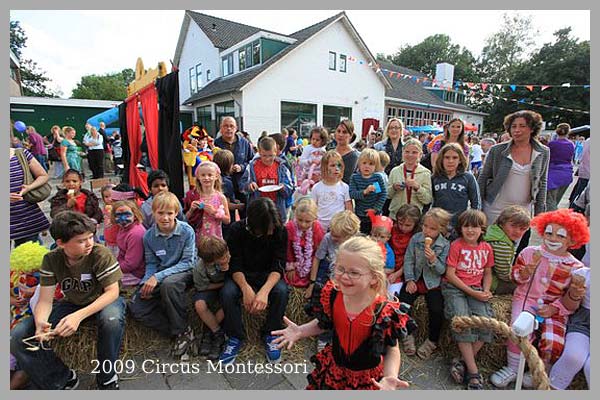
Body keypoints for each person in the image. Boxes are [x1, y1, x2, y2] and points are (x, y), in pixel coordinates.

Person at [272, 236, 413, 390]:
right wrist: (301, 331)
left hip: (367, 378)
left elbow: (392, 349)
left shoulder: (383, 311)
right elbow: (324, 324)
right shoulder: (331, 294)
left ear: (373, 277)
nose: (344, 276)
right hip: (334, 370)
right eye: (340, 269)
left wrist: (390, 376)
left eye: (354, 272)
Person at [10, 211, 125, 390]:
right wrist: (41, 323)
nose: (89, 243)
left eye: (90, 237)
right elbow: (45, 300)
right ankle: (61, 378)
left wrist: (78, 317)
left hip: (103, 299)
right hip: (71, 302)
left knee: (111, 319)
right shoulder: (51, 259)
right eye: (81, 240)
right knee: (18, 336)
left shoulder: (99, 253)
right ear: (61, 243)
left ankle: (107, 377)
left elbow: (112, 292)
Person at [490, 209, 589, 389]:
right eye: (549, 233)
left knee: (554, 341)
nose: (552, 239)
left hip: (555, 309)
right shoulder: (529, 253)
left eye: (560, 236)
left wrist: (556, 307)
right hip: (526, 300)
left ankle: (539, 371)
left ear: (572, 240)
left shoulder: (576, 267)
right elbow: (516, 278)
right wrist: (526, 271)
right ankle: (512, 368)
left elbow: (571, 301)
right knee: (518, 330)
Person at [219, 198, 289, 365]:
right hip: (242, 274)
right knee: (227, 293)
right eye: (268, 228)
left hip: (268, 274)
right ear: (256, 226)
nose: (271, 232)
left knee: (281, 292)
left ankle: (271, 334)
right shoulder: (237, 230)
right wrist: (246, 289)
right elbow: (234, 264)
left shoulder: (280, 230)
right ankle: (235, 336)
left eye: (273, 227)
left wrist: (264, 292)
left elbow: (278, 265)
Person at [128, 191, 197, 360]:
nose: (165, 218)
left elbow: (189, 262)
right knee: (136, 305)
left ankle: (181, 333)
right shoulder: (149, 236)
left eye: (169, 213)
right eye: (160, 213)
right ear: (153, 213)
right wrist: (146, 281)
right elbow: (151, 263)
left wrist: (157, 278)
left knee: (169, 285)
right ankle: (180, 331)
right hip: (162, 274)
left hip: (184, 272)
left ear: (176, 213)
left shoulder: (186, 231)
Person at [442, 210, 494, 390]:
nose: (470, 230)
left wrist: (485, 290)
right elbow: (450, 274)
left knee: (487, 325)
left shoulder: (486, 248)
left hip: (477, 289)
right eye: (466, 226)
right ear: (460, 228)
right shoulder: (456, 245)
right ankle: (473, 372)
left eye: (475, 226)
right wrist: (473, 293)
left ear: (482, 229)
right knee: (462, 322)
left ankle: (461, 362)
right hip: (456, 288)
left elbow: (487, 272)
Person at [478, 110, 549, 227]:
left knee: (515, 244)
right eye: (513, 126)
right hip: (495, 207)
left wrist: (539, 213)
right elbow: (483, 177)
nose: (517, 130)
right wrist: (477, 206)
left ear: (532, 129)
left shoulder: (543, 152)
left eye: (522, 126)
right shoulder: (497, 150)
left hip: (522, 210)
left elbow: (542, 182)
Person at [400, 207, 451, 359]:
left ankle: (432, 341)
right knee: (403, 304)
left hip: (432, 283)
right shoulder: (416, 239)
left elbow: (442, 270)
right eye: (425, 226)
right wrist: (409, 279)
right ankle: (407, 334)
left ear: (441, 229)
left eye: (432, 228)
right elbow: (408, 260)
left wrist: (433, 260)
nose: (427, 231)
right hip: (415, 278)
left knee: (437, 310)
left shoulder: (444, 245)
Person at [549, 264, 590, 390]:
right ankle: (551, 387)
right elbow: (569, 306)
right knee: (573, 357)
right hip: (584, 322)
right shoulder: (584, 274)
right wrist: (574, 294)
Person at [431, 143, 481, 236]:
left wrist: (471, 222)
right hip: (439, 224)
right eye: (447, 157)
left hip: (460, 224)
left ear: (460, 160)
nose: (450, 161)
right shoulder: (435, 178)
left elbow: (476, 202)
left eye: (454, 158)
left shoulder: (468, 177)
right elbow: (429, 201)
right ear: (441, 159)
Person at [193, 236, 229, 360]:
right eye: (221, 259)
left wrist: (227, 271)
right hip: (210, 287)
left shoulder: (232, 258)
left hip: (228, 286)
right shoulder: (200, 267)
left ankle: (209, 332)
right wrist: (221, 284)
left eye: (226, 255)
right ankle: (217, 332)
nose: (225, 259)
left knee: (228, 301)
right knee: (200, 304)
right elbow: (202, 286)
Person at [241, 136, 294, 222]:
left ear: (276, 152)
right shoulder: (252, 166)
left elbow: (291, 188)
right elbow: (242, 185)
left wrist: (283, 187)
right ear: (259, 152)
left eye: (270, 155)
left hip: (277, 209)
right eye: (264, 155)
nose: (267, 159)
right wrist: (249, 186)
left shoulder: (282, 166)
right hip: (258, 209)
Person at [483, 205, 530, 295]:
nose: (517, 231)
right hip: (491, 283)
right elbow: (504, 275)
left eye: (522, 229)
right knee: (527, 286)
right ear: (502, 222)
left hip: (485, 277)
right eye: (513, 226)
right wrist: (519, 276)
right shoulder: (502, 245)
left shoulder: (492, 230)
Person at [9, 146, 50, 247]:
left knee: (30, 258)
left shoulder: (21, 153)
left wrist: (29, 187)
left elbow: (43, 175)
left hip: (26, 217)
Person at [214, 117, 254, 213]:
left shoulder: (244, 143)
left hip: (242, 184)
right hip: (223, 186)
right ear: (221, 128)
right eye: (226, 126)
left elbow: (252, 161)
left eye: (231, 126)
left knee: (246, 212)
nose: (229, 129)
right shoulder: (216, 144)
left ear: (236, 128)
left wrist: (241, 167)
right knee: (227, 213)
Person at [184, 161, 231, 240]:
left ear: (216, 176)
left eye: (210, 175)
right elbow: (184, 219)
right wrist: (191, 210)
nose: (206, 178)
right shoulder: (193, 196)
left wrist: (214, 212)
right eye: (203, 175)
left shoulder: (220, 197)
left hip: (215, 237)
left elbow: (227, 220)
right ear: (198, 177)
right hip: (197, 237)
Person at [388, 138, 432, 219]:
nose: (410, 155)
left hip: (414, 218)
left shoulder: (425, 173)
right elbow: (388, 195)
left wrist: (418, 188)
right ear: (402, 153)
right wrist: (393, 188)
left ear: (420, 154)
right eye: (407, 152)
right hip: (395, 216)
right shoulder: (395, 171)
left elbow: (427, 200)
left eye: (414, 152)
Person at [284, 198, 325, 287]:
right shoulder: (289, 227)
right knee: (290, 279)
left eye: (307, 221)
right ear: (295, 216)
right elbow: (287, 250)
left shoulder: (317, 227)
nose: (303, 224)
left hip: (312, 265)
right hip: (294, 264)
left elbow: (318, 252)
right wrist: (291, 267)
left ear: (314, 218)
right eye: (300, 220)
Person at [310, 150, 353, 231]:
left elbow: (349, 209)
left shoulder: (344, 187)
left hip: (339, 227)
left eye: (339, 165)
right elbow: (313, 208)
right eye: (332, 165)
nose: (336, 168)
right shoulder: (316, 188)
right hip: (321, 227)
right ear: (324, 168)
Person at [349, 149, 387, 234]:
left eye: (371, 164)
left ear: (376, 166)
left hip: (374, 215)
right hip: (359, 215)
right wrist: (364, 192)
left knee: (374, 235)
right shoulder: (355, 178)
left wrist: (375, 209)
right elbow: (352, 194)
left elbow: (382, 195)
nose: (367, 166)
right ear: (359, 164)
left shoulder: (376, 178)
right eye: (364, 163)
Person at [388, 204, 422, 295]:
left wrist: (397, 274)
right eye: (400, 224)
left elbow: (412, 260)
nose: (403, 228)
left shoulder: (417, 236)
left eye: (408, 225)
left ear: (416, 224)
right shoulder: (392, 229)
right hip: (390, 264)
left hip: (405, 269)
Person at [112, 199, 146, 287]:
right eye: (118, 215)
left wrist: (112, 269)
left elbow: (131, 264)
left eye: (127, 215)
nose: (122, 218)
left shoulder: (135, 234)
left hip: (136, 273)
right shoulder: (123, 228)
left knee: (107, 283)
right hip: (126, 268)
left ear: (135, 216)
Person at [213, 149, 244, 238]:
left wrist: (235, 200)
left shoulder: (216, 178)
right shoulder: (226, 182)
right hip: (226, 217)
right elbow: (226, 204)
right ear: (228, 166)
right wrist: (240, 206)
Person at [546, 123, 575, 211]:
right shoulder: (571, 145)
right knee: (556, 201)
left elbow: (547, 159)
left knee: (550, 201)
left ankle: (552, 221)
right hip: (567, 174)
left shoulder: (552, 144)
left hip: (553, 175)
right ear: (568, 132)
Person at [297, 127, 328, 193]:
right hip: (308, 176)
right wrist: (310, 161)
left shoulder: (323, 150)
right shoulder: (308, 148)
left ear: (323, 141)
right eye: (313, 139)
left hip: (320, 177)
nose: (314, 141)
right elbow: (301, 162)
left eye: (317, 140)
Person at [334, 119, 359, 184]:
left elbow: (347, 179)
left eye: (344, 132)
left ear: (350, 135)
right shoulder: (330, 152)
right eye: (338, 131)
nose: (340, 134)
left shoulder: (353, 156)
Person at [569, 137, 590, 205]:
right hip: (588, 172)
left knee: (578, 193)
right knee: (580, 196)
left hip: (584, 170)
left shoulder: (588, 140)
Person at [100, 184, 119, 256]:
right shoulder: (105, 209)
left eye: (112, 196)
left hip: (117, 241)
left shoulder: (119, 209)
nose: (109, 199)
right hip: (108, 240)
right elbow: (105, 225)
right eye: (106, 197)